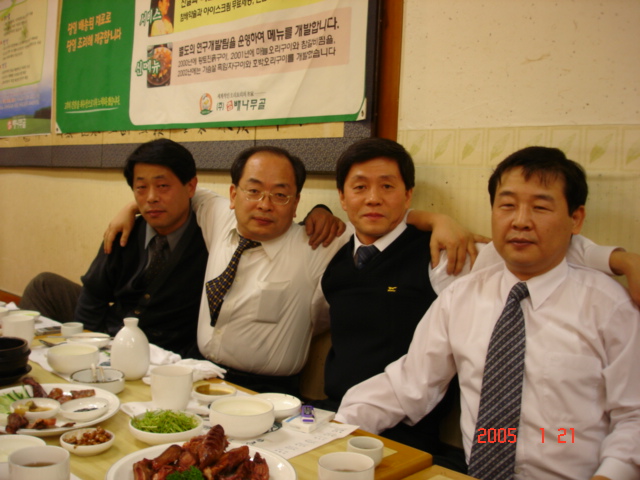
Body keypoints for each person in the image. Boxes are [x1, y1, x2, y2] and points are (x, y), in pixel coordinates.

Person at [335, 146, 640, 480]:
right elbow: (409, 382)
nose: (520, 221)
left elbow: (634, 417)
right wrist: (338, 427)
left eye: (540, 207)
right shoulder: (462, 296)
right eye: (507, 205)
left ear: (576, 219)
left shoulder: (610, 307)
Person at [105, 145, 479, 395]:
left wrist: (437, 220)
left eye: (280, 194)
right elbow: (166, 196)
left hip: (268, 392)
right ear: (233, 195)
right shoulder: (216, 215)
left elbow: (375, 219)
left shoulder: (319, 243)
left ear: (297, 201)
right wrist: (130, 209)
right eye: (253, 191)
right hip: (200, 373)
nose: (264, 204)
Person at [22, 139, 208, 358]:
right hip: (110, 335)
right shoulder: (125, 232)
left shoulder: (209, 238)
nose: (151, 198)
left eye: (162, 186)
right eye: (141, 188)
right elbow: (93, 295)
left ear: (191, 187)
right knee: (44, 286)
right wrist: (89, 347)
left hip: (163, 352)